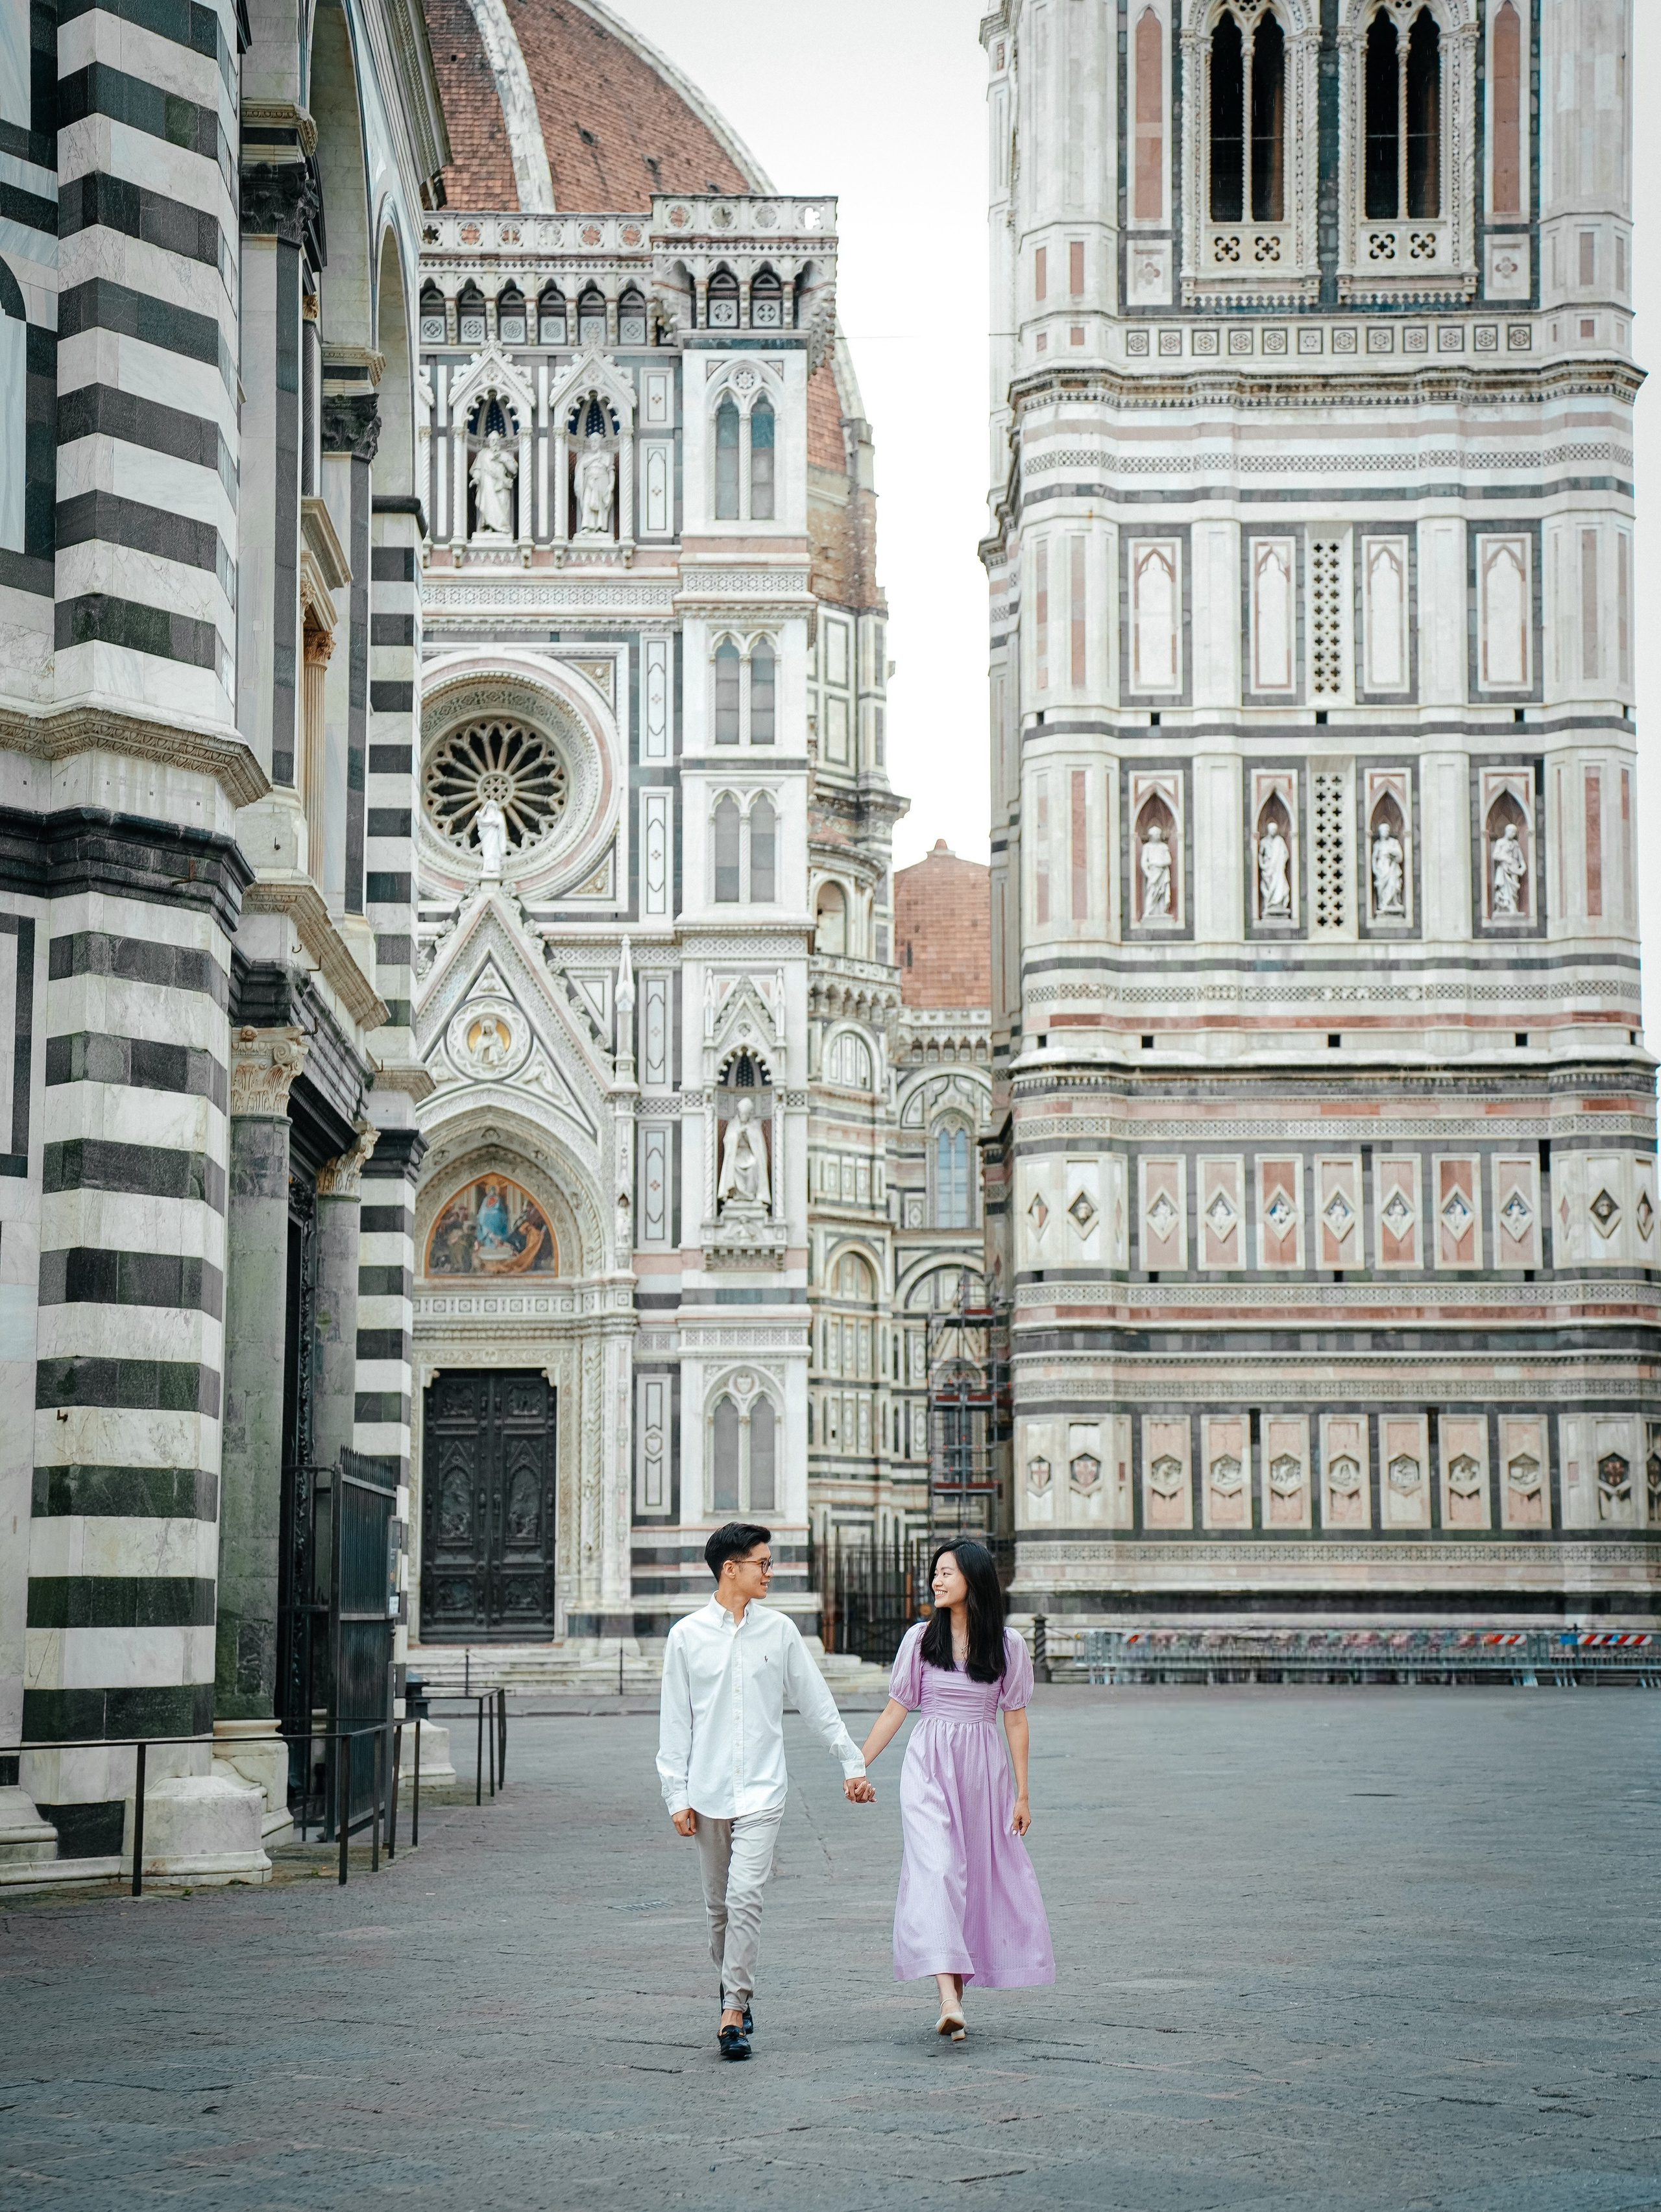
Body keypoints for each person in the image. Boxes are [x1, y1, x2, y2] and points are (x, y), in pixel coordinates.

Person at [657, 1522, 875, 2060]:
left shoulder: (779, 1633)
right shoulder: (685, 1636)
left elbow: (816, 1703)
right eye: (763, 1564)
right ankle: (731, 1982)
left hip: (762, 1791)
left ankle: (734, 2007)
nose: (770, 1573)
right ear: (731, 1569)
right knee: (717, 1909)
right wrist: (675, 1795)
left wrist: (852, 1762)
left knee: (745, 1897)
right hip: (705, 1792)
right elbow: (674, 1725)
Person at [858, 1538, 1054, 2040]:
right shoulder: (920, 1640)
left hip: (983, 1770)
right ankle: (947, 1995)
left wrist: (1023, 1793)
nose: (936, 1581)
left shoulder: (1007, 1645)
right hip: (927, 1765)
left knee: (972, 1879)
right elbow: (895, 1710)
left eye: (947, 1573)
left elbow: (1015, 1721)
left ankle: (955, 2001)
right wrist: (855, 1765)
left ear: (974, 1578)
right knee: (938, 1869)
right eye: (935, 1573)